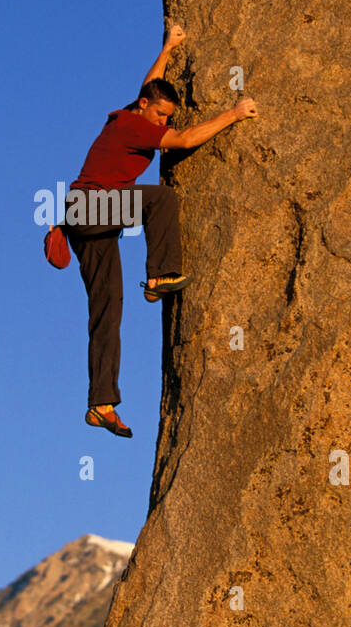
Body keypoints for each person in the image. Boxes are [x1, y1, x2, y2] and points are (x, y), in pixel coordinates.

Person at [65, 25, 258, 436]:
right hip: (88, 209)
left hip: (87, 226)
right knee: (161, 199)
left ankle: (100, 403)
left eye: (166, 118)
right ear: (144, 107)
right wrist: (234, 114)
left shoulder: (132, 113)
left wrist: (168, 47)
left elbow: (148, 85)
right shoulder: (135, 125)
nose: (163, 124)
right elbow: (186, 141)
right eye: (160, 116)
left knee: (108, 309)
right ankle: (160, 275)